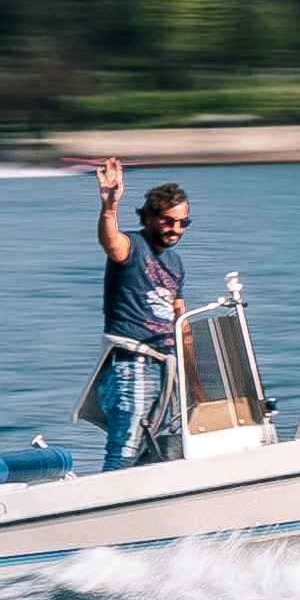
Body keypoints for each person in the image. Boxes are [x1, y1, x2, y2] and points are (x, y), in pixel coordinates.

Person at [89, 160, 190, 469]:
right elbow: (111, 242)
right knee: (125, 452)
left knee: (157, 454)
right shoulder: (133, 247)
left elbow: (180, 320)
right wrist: (109, 207)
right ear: (148, 217)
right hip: (131, 365)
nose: (175, 229)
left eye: (183, 222)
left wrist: (194, 379)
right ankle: (103, 510)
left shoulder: (175, 264)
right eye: (168, 221)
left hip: (165, 370)